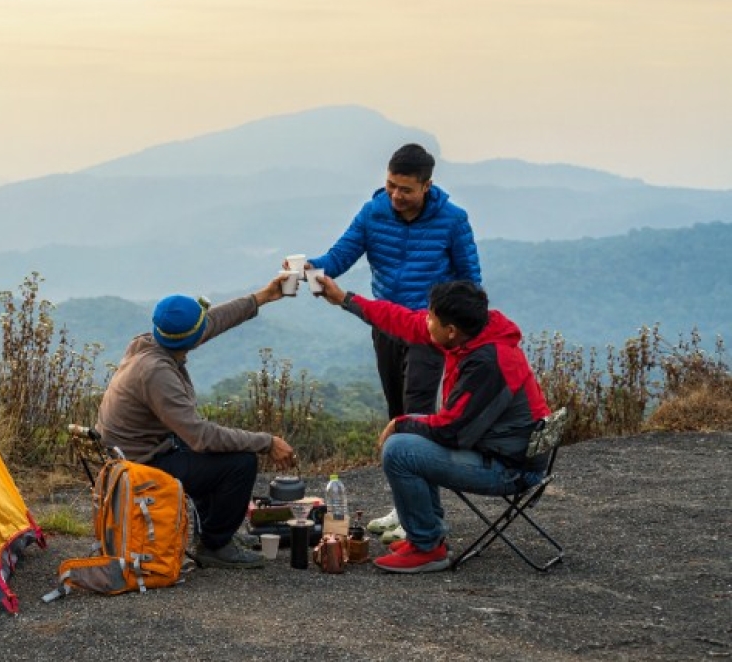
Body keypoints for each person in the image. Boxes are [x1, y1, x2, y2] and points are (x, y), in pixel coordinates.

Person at [298, 142, 482, 540]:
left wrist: (458, 334)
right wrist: (307, 269)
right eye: (391, 185)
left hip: (427, 330)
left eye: (406, 189)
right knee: (396, 413)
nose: (397, 196)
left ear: (427, 186)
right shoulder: (374, 212)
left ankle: (424, 519)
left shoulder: (452, 220)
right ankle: (405, 508)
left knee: (415, 418)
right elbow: (340, 256)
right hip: (385, 325)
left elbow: (470, 282)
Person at [316, 275, 550, 573]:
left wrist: (401, 423)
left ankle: (427, 546)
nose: (426, 321)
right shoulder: (473, 334)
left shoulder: (489, 363)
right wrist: (345, 299)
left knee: (400, 450)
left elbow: (452, 432)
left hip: (511, 468)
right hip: (503, 449)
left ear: (450, 331)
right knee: (413, 439)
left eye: (431, 317)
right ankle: (428, 534)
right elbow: (403, 320)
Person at [96, 275, 298, 570]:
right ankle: (215, 545)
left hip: (138, 453)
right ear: (191, 339)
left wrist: (262, 297)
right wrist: (266, 442)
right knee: (240, 462)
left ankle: (211, 532)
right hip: (141, 467)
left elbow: (211, 322)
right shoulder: (156, 373)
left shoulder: (150, 342)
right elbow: (201, 437)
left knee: (212, 453)